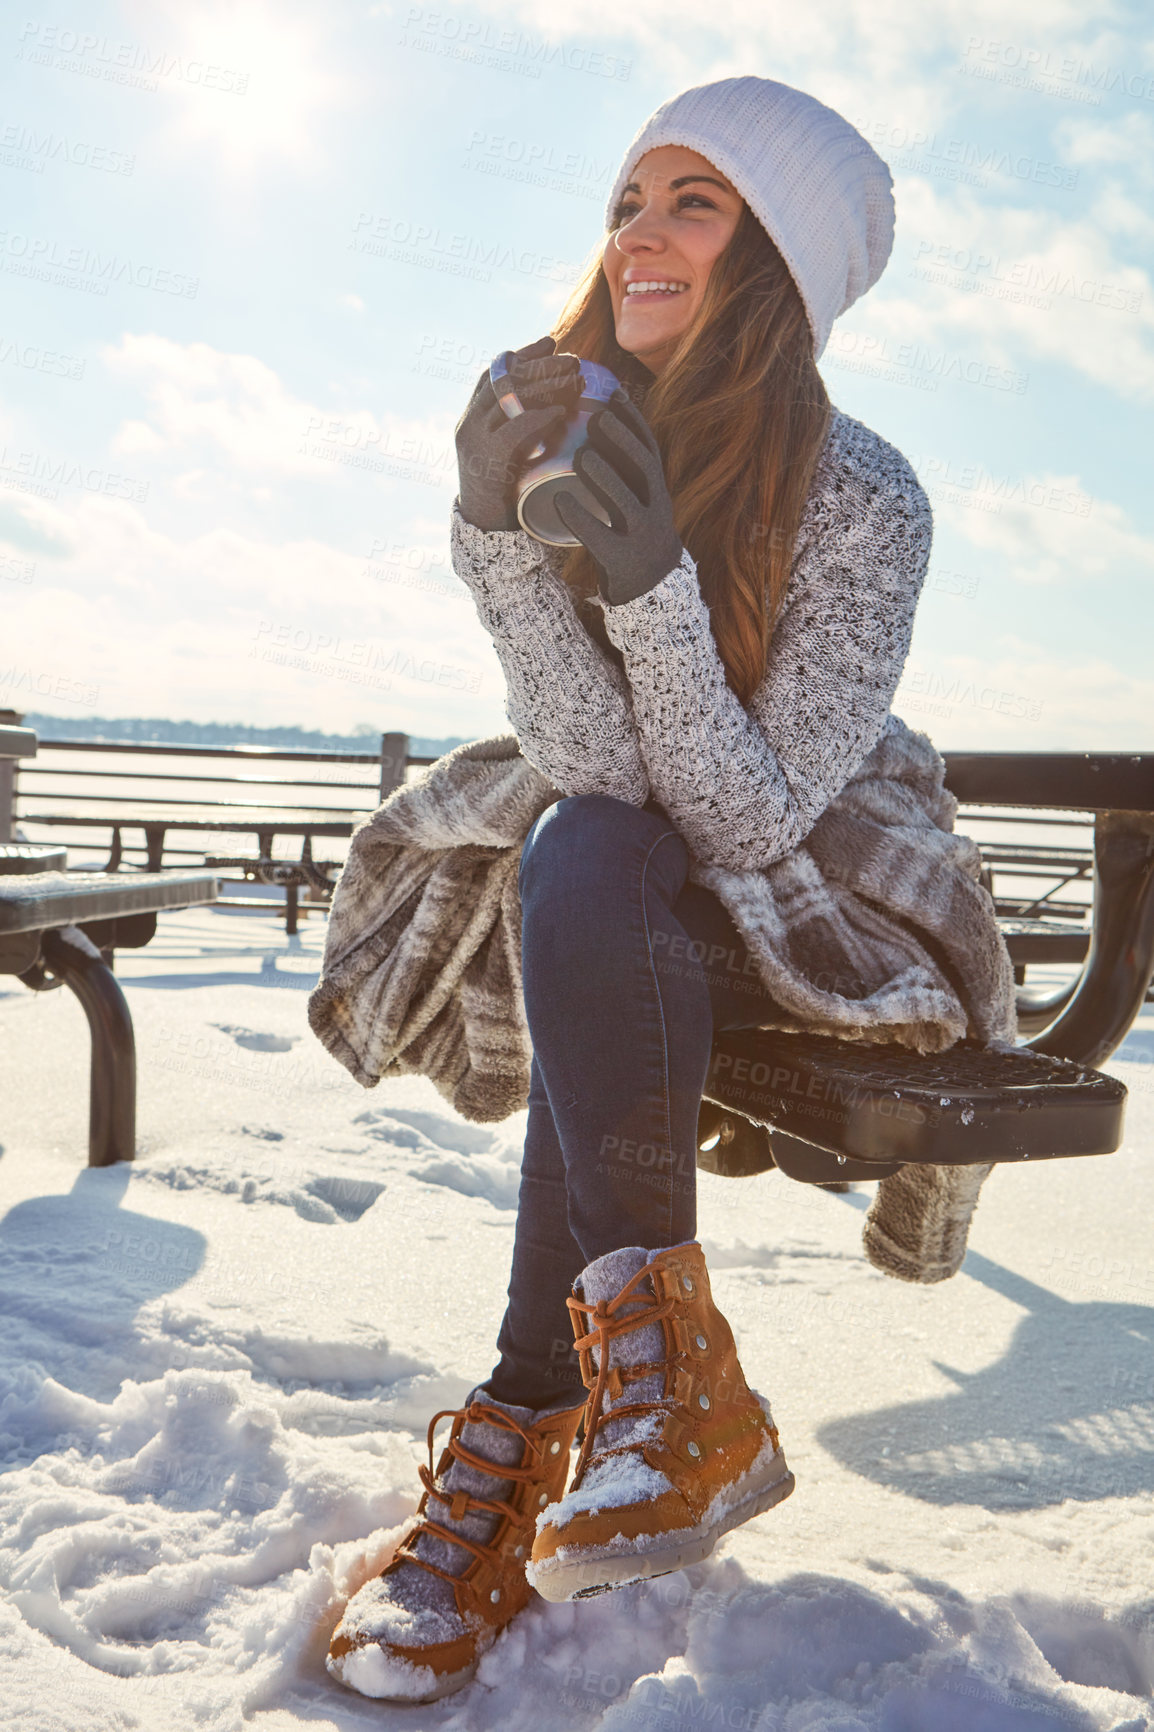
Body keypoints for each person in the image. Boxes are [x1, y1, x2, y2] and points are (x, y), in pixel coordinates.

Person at [326, 73, 942, 1704]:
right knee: (586, 857)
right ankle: (661, 1405)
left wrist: (655, 583)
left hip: (804, 900)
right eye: (626, 200)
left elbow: (745, 822)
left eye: (694, 201)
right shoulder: (584, 431)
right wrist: (498, 549)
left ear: (775, 260)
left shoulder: (869, 498)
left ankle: (529, 1427)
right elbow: (599, 779)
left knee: (602, 891)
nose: (638, 236)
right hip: (612, 894)